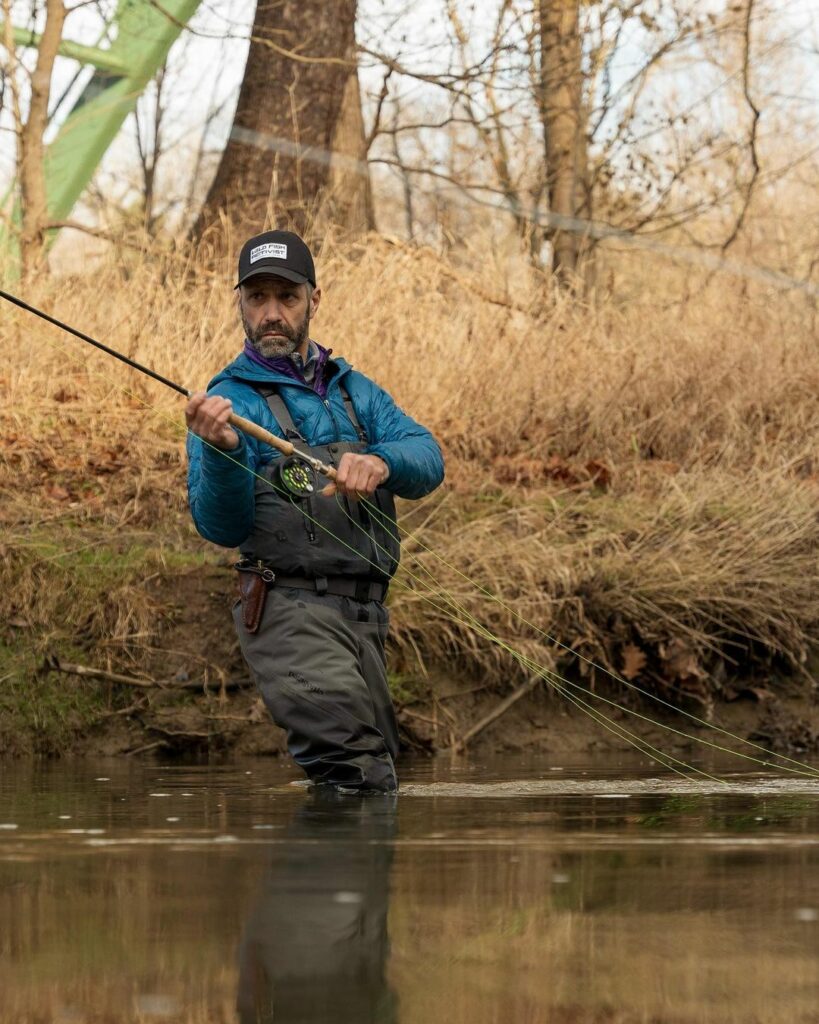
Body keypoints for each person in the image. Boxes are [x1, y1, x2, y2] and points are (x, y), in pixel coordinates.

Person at [185, 229, 444, 793]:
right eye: (257, 299)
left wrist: (380, 461)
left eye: (287, 297)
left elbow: (428, 458)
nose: (271, 314)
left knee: (375, 777)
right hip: (287, 609)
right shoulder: (229, 400)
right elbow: (220, 526)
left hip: (365, 615)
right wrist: (223, 452)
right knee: (355, 769)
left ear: (314, 300)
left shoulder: (357, 392)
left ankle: (329, 879)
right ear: (241, 304)